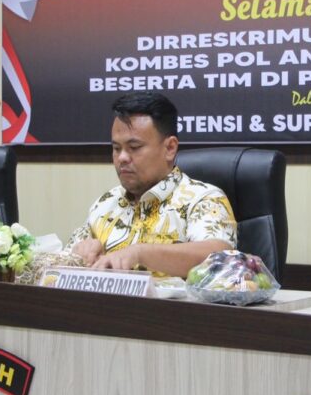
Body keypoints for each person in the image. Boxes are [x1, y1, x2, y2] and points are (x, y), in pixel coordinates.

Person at [68, 92, 236, 277]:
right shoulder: (106, 203)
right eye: (116, 148)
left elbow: (220, 256)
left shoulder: (203, 199)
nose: (122, 158)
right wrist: (79, 252)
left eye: (134, 147)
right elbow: (61, 262)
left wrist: (140, 253)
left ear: (170, 148)